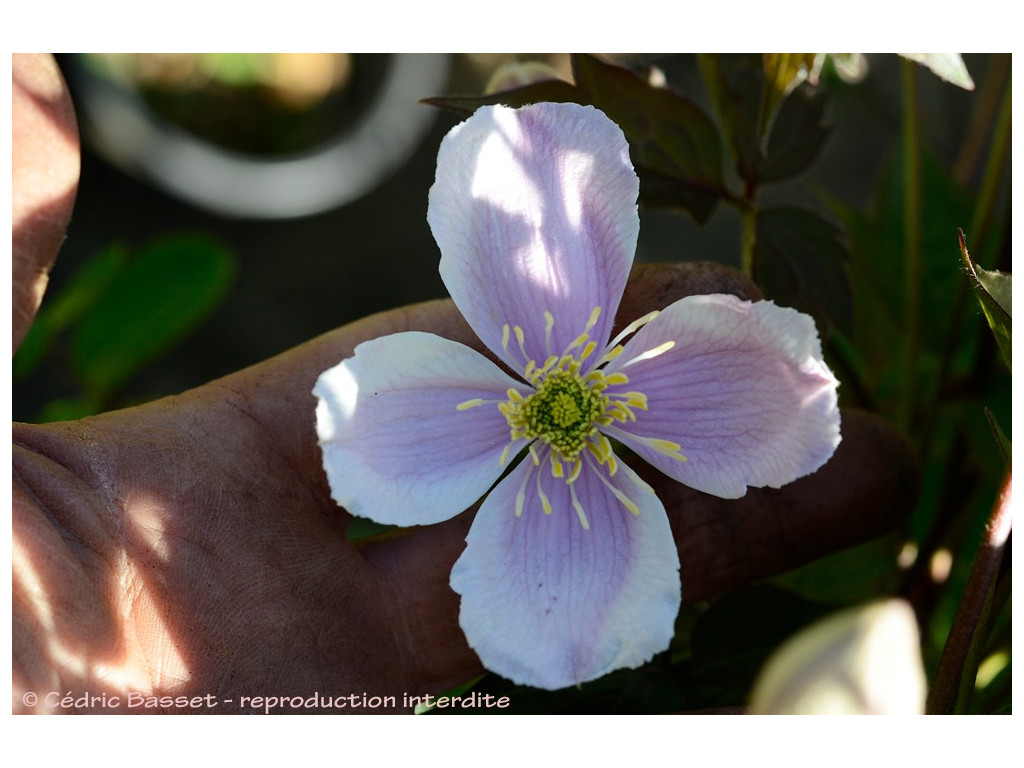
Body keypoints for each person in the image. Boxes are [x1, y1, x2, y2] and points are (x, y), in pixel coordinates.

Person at [12, 53, 917, 714]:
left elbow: (782, 394)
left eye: (567, 407)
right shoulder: (387, 423)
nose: (564, 410)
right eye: (560, 406)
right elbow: (364, 435)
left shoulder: (693, 380)